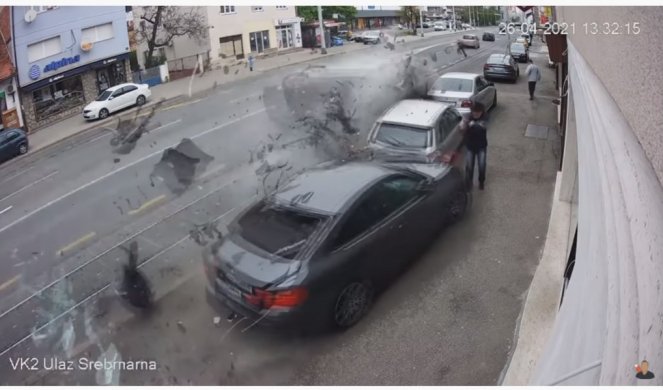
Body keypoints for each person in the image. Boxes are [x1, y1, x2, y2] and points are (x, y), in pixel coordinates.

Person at [461, 102, 488, 190]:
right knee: (469, 165)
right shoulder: (468, 117)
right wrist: (465, 125)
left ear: (481, 112)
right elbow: (462, 129)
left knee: (481, 164)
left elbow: (482, 127)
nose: (476, 113)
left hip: (481, 146)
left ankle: (481, 181)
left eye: (478, 112)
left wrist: (472, 124)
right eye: (474, 111)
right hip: (470, 146)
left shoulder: (485, 118)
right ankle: (469, 183)